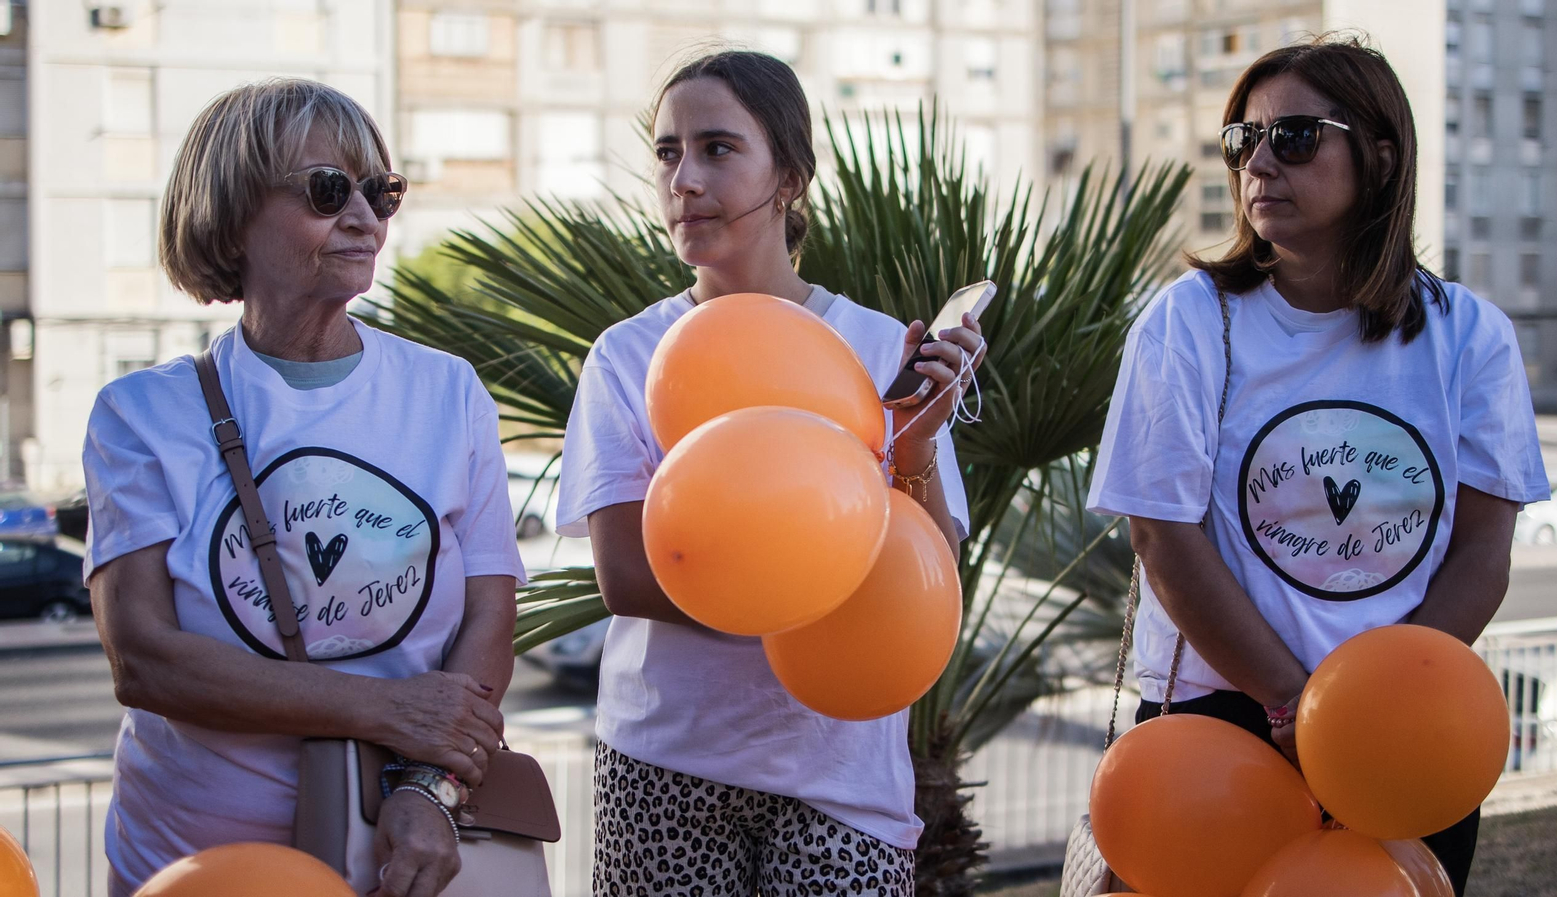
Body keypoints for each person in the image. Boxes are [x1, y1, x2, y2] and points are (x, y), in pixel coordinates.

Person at [1086, 35, 1548, 895]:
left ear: (1378, 156)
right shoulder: (1188, 322)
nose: (1260, 161)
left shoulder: (1471, 334)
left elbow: (1484, 551)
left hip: (1402, 731)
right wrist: (1297, 705)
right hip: (1217, 724)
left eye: (1294, 137)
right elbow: (1162, 534)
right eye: (1242, 140)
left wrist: (1367, 712)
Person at [554, 50, 986, 896]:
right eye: (668, 152)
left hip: (843, 781)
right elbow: (628, 574)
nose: (684, 178)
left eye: (717, 148)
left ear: (789, 175)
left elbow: (931, 573)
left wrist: (918, 449)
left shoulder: (875, 347)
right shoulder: (628, 355)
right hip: (667, 765)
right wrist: (817, 591)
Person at [82, 79, 524, 897]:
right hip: (193, 862)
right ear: (232, 214)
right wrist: (386, 711)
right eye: (327, 190)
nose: (363, 216)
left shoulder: (448, 392)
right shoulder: (140, 414)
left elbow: (491, 611)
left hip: (400, 857)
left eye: (380, 190)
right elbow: (143, 658)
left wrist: (429, 786)